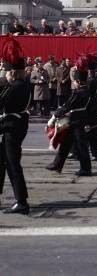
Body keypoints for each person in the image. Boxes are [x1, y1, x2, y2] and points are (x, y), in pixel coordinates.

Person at [46, 54, 92, 177]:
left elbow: (67, 106)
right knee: (66, 144)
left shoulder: (78, 92)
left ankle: (86, 169)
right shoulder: (86, 90)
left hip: (76, 121)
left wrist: (55, 115)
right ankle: (57, 164)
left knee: (81, 146)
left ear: (77, 81)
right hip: (78, 119)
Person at [0, 36, 31, 214]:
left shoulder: (16, 87)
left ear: (13, 72)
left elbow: (2, 102)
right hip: (15, 125)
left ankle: (21, 201)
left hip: (12, 127)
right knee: (3, 162)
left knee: (12, 164)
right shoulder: (23, 84)